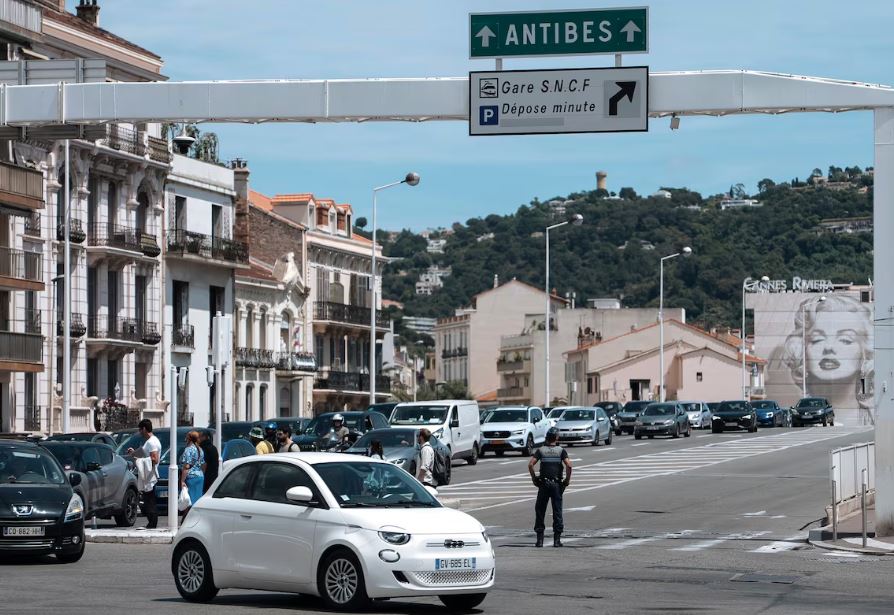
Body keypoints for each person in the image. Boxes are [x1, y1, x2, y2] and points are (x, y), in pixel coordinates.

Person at [780, 294, 873, 414]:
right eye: (817, 339)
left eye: (845, 339)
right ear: (802, 351)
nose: (829, 347)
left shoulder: (874, 417)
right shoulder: (797, 415)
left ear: (865, 352)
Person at [528, 427, 572, 548]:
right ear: (557, 437)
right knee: (557, 511)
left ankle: (539, 541)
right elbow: (569, 465)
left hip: (544, 484)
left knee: (540, 511)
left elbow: (531, 465)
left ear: (547, 437)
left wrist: (534, 478)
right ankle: (557, 541)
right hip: (557, 485)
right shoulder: (561, 451)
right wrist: (567, 480)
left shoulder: (541, 450)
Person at [126, 419, 161, 529]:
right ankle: (151, 523)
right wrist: (134, 453)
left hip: (150, 475)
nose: (140, 432)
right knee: (148, 500)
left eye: (140, 430)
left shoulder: (151, 442)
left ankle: (152, 523)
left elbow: (154, 459)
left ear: (144, 429)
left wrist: (140, 460)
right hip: (149, 474)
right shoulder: (152, 440)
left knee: (149, 501)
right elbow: (146, 455)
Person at [179, 431, 204, 515]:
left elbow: (186, 466)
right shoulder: (200, 449)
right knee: (197, 500)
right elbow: (203, 464)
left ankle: (188, 519)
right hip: (200, 476)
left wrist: (182, 481)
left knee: (188, 501)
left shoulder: (188, 450)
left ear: (189, 438)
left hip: (191, 477)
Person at [198, 430, 219, 494]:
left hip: (206, 477)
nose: (198, 439)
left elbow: (204, 464)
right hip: (213, 476)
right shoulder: (213, 448)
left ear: (204, 437)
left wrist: (201, 475)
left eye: (200, 437)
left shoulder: (203, 448)